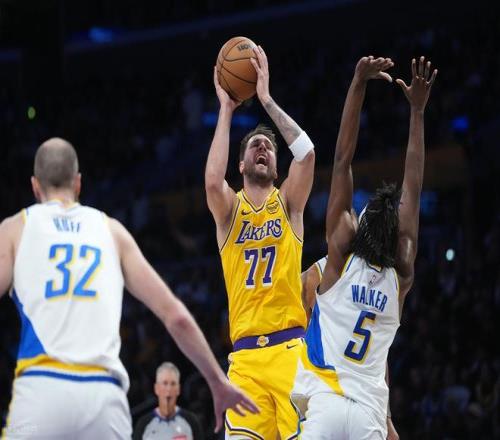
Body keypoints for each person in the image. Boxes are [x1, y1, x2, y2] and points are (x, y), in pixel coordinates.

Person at [0, 138, 258, 439]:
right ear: (78, 183)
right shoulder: (112, 232)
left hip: (41, 391)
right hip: (103, 398)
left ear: (35, 186)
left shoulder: (15, 229)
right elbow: (176, 316)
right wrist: (217, 381)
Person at [291, 55, 437, 438]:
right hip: (369, 413)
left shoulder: (340, 257)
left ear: (360, 224)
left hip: (325, 399)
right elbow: (414, 186)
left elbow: (343, 160)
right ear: (398, 236)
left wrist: (357, 82)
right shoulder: (401, 274)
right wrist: (417, 112)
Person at [205, 45, 315, 438]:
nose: (263, 147)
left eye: (268, 146)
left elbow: (307, 155)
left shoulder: (289, 204)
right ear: (241, 165)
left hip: (290, 353)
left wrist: (265, 99)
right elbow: (212, 182)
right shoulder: (229, 212)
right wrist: (226, 110)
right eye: (254, 145)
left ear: (276, 166)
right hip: (246, 362)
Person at [133, 362, 204, 440]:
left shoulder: (191, 421)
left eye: (173, 384)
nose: (169, 389)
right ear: (156, 388)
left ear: (178, 389)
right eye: (165, 383)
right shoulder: (143, 424)